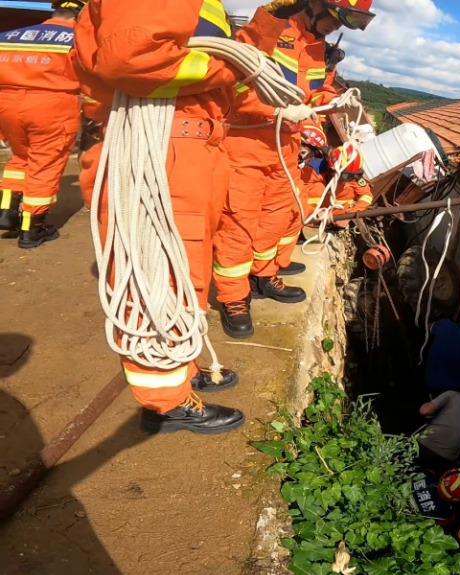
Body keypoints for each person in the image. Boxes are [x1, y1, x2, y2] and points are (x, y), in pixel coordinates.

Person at [71, 0, 306, 434]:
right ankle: (164, 404)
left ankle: (181, 367)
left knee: (186, 271)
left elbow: (222, 66)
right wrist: (237, 68)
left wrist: (265, 28)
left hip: (192, 148)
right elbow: (133, 60)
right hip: (162, 148)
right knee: (154, 275)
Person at [213, 0, 375, 340]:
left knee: (281, 212)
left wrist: (331, 88)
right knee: (239, 222)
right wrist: (274, 111)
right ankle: (234, 297)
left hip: (287, 145)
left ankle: (265, 273)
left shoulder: (318, 48)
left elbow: (312, 95)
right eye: (335, 17)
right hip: (248, 139)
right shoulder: (271, 29)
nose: (336, 27)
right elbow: (236, 80)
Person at [0, 0, 86, 248]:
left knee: (21, 157)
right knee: (45, 163)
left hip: (7, 104)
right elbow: (91, 75)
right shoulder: (78, 40)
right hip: (51, 106)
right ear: (80, 14)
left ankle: (7, 210)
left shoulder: (10, 36)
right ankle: (32, 228)